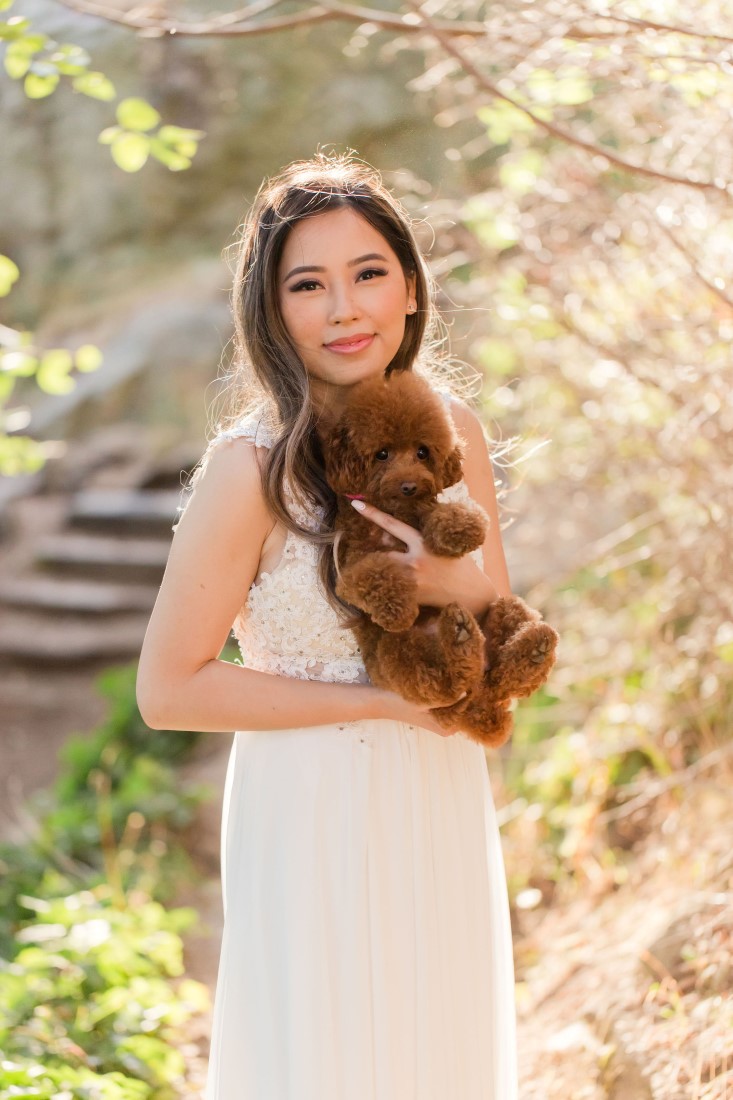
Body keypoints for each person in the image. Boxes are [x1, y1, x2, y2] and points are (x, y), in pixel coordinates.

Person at [136, 153, 518, 1099]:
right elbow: (169, 688)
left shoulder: (453, 429)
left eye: (368, 273)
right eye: (308, 284)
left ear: (411, 286)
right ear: (272, 311)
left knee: (437, 1049)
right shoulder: (249, 467)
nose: (345, 309)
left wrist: (441, 582)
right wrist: (382, 701)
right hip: (308, 807)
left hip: (435, 788)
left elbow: (499, 620)